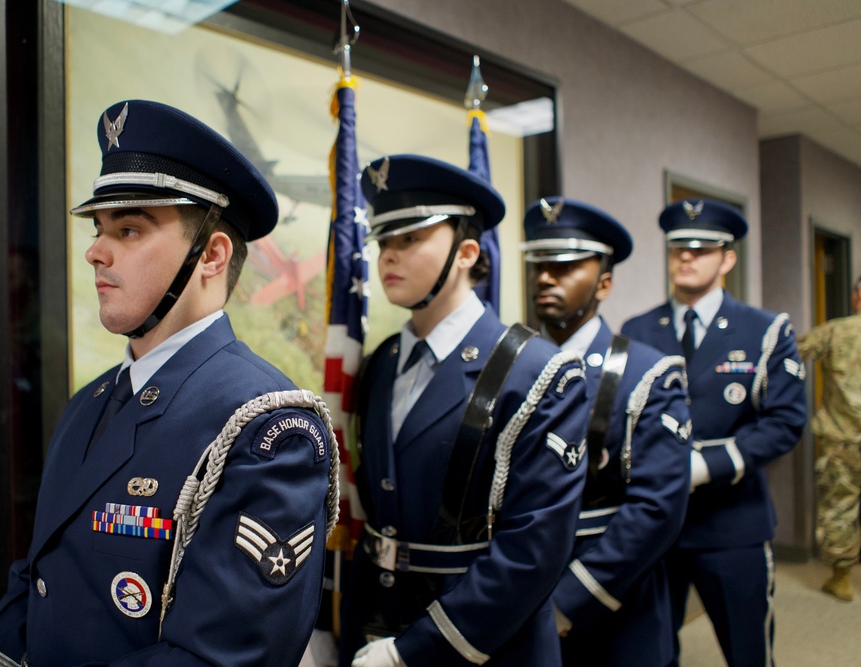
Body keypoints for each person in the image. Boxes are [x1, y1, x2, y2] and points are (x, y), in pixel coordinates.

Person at [0, 100, 338, 666]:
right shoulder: (91, 403)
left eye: (129, 228)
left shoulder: (268, 428)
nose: (94, 251)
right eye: (100, 229)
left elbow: (222, 657)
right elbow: (43, 575)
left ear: (211, 254)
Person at [339, 155, 590, 667]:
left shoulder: (539, 372)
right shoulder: (381, 362)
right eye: (385, 241)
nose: (389, 256)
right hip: (378, 624)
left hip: (485, 642)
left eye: (410, 239)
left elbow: (533, 551)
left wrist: (415, 652)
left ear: (466, 252)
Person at [621, 199, 807, 666]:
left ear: (727, 259)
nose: (686, 257)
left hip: (732, 524)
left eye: (701, 249)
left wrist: (704, 465)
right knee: (651, 651)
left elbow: (785, 423)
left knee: (747, 651)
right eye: (678, 247)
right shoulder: (637, 329)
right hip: (653, 526)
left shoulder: (765, 330)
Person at [522, 197, 691, 666]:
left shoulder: (648, 372)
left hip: (613, 603)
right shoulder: (510, 365)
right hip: (516, 594)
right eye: (539, 263)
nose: (546, 276)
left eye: (568, 265)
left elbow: (658, 508)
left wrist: (570, 598)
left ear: (605, 282)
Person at [796, 275, 861, 602]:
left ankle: (842, 578)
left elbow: (793, 352)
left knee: (840, 507)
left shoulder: (836, 330)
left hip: (844, 441)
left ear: (856, 297)